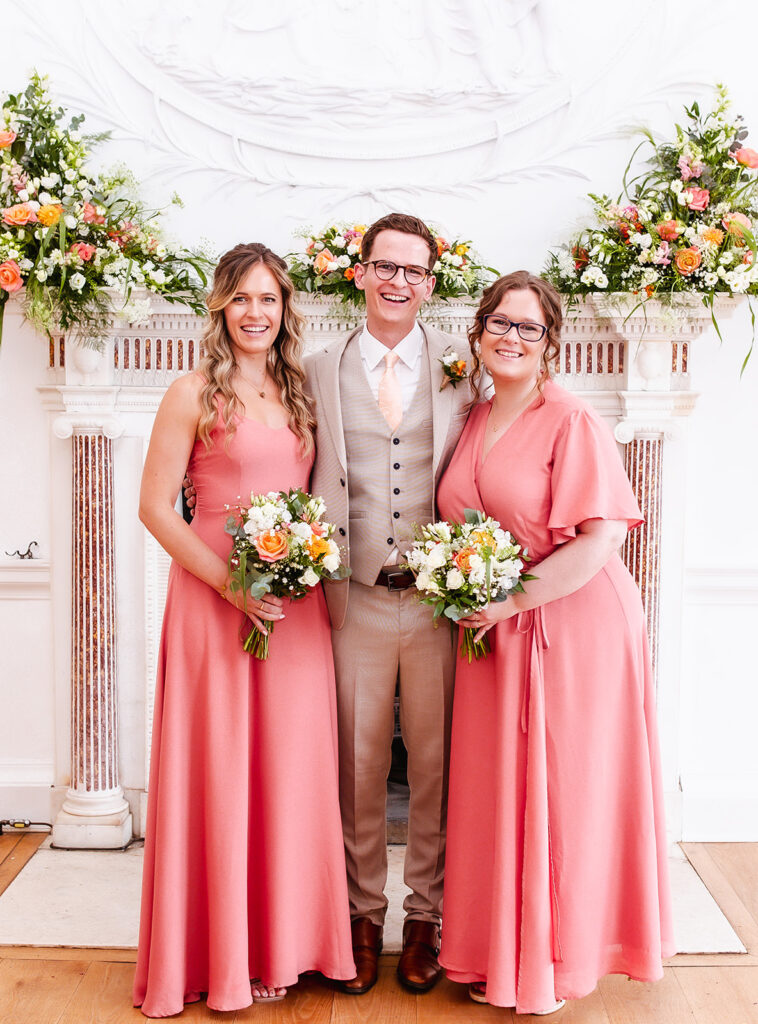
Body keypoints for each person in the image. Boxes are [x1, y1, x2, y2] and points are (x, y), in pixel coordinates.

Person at [436, 271, 675, 1014]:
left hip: (571, 625)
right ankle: (497, 954)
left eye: (529, 327)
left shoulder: (571, 420)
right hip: (496, 631)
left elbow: (601, 540)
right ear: (477, 335)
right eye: (499, 324)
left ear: (549, 343)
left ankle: (549, 965)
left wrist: (510, 599)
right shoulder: (473, 417)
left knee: (560, 793)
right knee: (500, 793)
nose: (511, 337)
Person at [133, 242, 355, 1017]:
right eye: (242, 300)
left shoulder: (300, 392)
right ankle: (221, 955)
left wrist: (300, 565)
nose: (256, 313)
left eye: (269, 299)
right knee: (222, 769)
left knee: (290, 771)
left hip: (293, 606)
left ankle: (284, 946)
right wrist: (232, 585)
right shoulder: (191, 390)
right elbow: (156, 509)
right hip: (214, 597)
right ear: (220, 307)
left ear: (285, 309)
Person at [306, 213, 477, 993]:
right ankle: (360, 912)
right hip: (356, 599)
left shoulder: (467, 364)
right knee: (358, 764)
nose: (398, 281)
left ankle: (425, 918)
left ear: (431, 283)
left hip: (440, 604)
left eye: (413, 270)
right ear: (362, 273)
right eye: (386, 267)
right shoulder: (315, 366)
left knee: (439, 768)